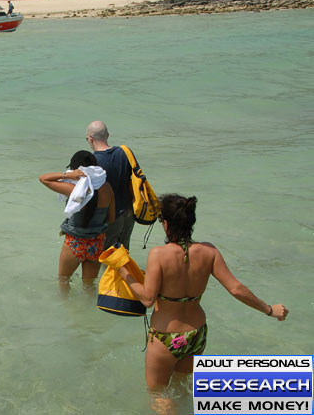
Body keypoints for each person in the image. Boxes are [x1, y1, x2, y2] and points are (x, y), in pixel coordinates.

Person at [116, 194, 288, 400]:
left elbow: (147, 298)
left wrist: (123, 272)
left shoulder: (158, 255)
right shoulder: (209, 251)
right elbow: (236, 288)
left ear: (166, 223)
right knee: (181, 391)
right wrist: (269, 309)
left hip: (166, 337)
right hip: (196, 334)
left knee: (158, 395)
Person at [39, 150, 115, 291]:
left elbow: (43, 178)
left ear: (77, 169)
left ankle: (67, 310)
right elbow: (111, 218)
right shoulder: (107, 188)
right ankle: (89, 311)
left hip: (75, 243)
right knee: (89, 287)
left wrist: (67, 175)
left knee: (64, 282)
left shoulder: (74, 189)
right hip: (96, 243)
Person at [86, 120, 136, 250]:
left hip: (111, 217)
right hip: (129, 213)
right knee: (124, 255)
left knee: (109, 258)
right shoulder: (124, 152)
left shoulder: (93, 162)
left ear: (90, 139)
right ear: (107, 135)